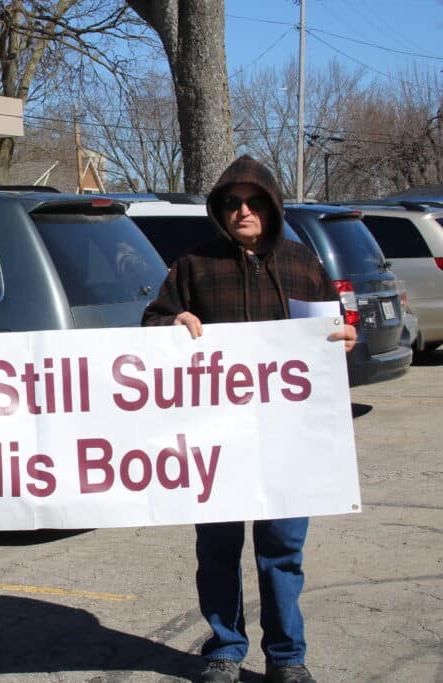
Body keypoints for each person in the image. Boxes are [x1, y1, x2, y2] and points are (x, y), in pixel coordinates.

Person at [141, 155, 356, 683]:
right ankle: (224, 648)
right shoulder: (193, 264)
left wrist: (347, 340)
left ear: (272, 206)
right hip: (216, 439)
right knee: (217, 548)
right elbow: (151, 322)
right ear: (219, 209)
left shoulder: (303, 264)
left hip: (288, 439)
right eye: (232, 203)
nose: (243, 211)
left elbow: (331, 334)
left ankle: (287, 658)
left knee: (282, 549)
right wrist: (173, 321)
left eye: (254, 201)